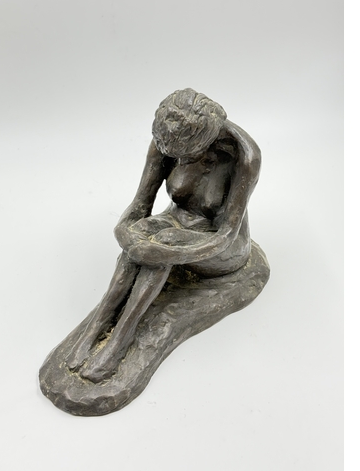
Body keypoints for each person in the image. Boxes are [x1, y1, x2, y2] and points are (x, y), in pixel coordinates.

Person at [66, 88, 261, 382]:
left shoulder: (245, 156)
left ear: (205, 142)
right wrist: (127, 238)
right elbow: (138, 209)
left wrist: (166, 253)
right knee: (144, 232)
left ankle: (120, 339)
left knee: (165, 241)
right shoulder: (167, 140)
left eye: (187, 158)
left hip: (222, 247)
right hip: (174, 224)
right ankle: (95, 329)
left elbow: (226, 236)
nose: (178, 163)